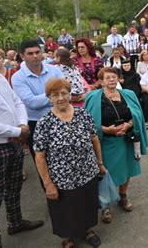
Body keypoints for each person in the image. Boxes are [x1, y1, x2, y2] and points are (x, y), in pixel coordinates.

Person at [0, 42, 44, 248]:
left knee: (14, 188)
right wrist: (17, 131)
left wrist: (22, 124)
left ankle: (15, 222)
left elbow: (17, 102)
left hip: (12, 143)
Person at [34, 78, 104, 248]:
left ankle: (87, 230)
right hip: (61, 177)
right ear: (49, 98)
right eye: (55, 95)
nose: (60, 98)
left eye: (64, 93)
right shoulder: (45, 122)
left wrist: (100, 163)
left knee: (87, 203)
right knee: (65, 209)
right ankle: (68, 237)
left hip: (87, 171)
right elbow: (40, 156)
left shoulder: (83, 114)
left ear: (70, 94)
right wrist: (47, 183)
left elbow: (95, 139)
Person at [85, 67, 148, 223]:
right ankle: (105, 205)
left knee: (127, 170)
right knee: (106, 173)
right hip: (106, 141)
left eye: (114, 77)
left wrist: (128, 125)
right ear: (101, 81)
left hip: (127, 139)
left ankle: (123, 197)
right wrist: (107, 129)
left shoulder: (129, 94)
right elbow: (87, 122)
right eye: (107, 78)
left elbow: (138, 114)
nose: (111, 80)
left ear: (119, 79)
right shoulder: (93, 97)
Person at [12, 40, 63, 158]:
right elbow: (31, 103)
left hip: (61, 118)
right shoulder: (18, 77)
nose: (35, 56)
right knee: (42, 162)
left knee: (65, 160)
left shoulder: (54, 70)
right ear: (22, 56)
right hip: (36, 124)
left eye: (37, 52)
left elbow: (66, 95)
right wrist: (55, 94)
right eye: (30, 54)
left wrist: (51, 96)